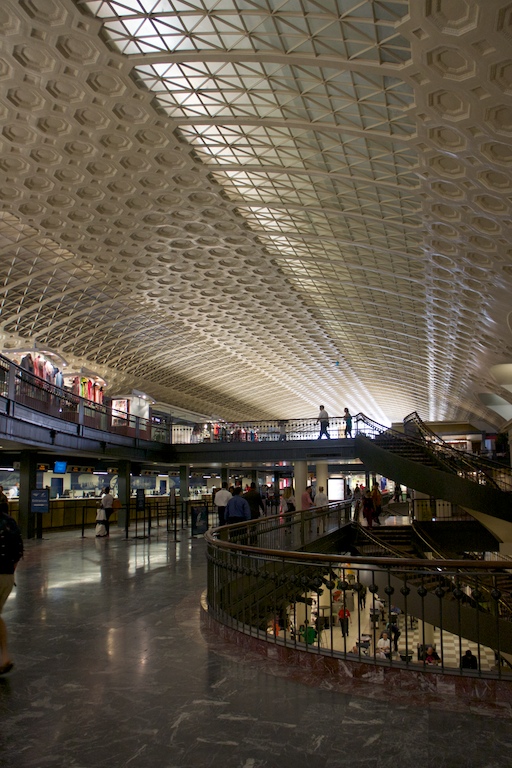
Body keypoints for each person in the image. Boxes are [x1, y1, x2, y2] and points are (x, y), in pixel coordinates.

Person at [0, 501, 23, 675]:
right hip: (7, 575)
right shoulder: (10, 522)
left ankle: (5, 656)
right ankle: (4, 656)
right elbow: (18, 551)